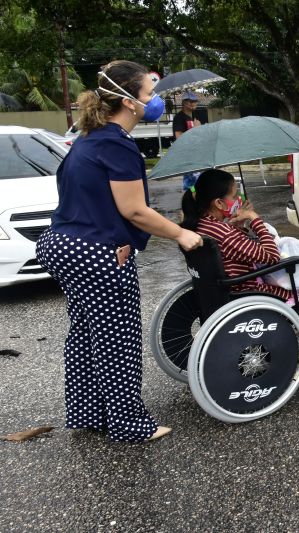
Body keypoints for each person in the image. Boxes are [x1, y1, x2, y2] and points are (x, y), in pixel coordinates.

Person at [35, 60, 204, 443]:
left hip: (62, 245)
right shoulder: (117, 144)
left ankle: (88, 413)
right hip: (96, 252)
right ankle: (129, 424)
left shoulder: (88, 139)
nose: (154, 101)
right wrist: (181, 234)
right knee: (117, 339)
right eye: (149, 94)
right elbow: (134, 210)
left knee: (84, 333)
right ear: (129, 102)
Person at [181, 169, 299, 357]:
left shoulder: (202, 225)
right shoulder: (224, 232)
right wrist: (254, 218)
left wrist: (239, 228)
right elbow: (271, 256)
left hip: (225, 288)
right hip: (247, 291)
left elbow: (237, 249)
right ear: (218, 203)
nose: (239, 200)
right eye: (235, 196)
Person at [172, 92, 203, 191]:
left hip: (195, 156)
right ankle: (190, 205)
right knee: (190, 187)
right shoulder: (179, 118)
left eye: (195, 101)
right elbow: (179, 138)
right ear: (184, 103)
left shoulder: (191, 118)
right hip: (187, 157)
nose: (194, 103)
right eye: (191, 101)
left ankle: (195, 204)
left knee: (197, 186)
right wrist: (196, 129)